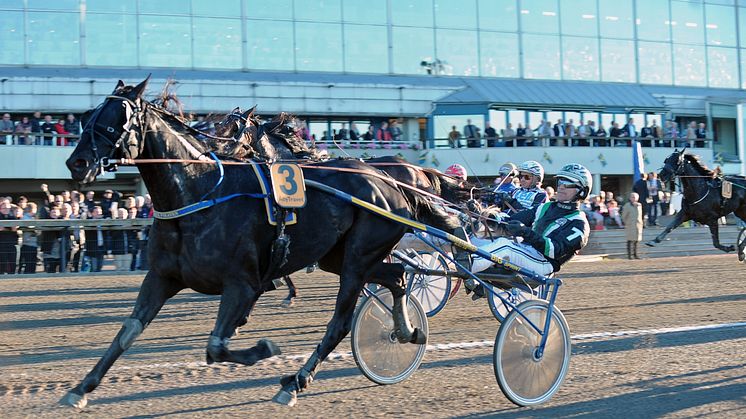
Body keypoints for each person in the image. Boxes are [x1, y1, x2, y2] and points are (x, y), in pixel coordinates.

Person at [457, 164, 592, 297]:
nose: (561, 186)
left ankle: (467, 265)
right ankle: (471, 269)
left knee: (505, 245)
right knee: (478, 241)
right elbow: (509, 221)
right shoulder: (545, 208)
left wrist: (526, 232)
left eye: (568, 183)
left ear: (582, 191)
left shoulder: (579, 223)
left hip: (544, 264)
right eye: (560, 181)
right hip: (527, 252)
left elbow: (554, 250)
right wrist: (484, 215)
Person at [622, 192, 644, 259]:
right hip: (630, 225)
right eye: (632, 197)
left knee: (636, 241)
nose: (633, 198)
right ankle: (629, 255)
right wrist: (627, 223)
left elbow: (641, 215)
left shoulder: (639, 205)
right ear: (630, 198)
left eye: (635, 197)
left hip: (638, 225)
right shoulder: (627, 205)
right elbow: (623, 216)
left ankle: (635, 254)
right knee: (630, 240)